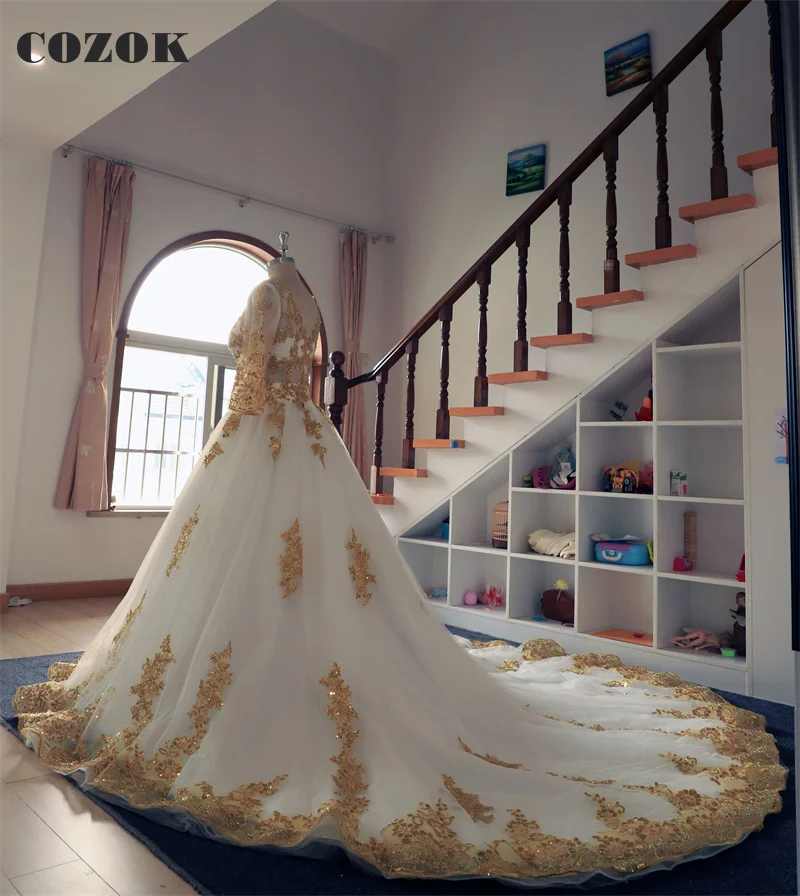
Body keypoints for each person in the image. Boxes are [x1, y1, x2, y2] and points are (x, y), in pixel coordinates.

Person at [14, 253, 784, 888]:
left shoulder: (268, 294)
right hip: (304, 437)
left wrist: (231, 437)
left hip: (258, 436)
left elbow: (247, 379)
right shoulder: (305, 295)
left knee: (260, 570)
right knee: (299, 575)